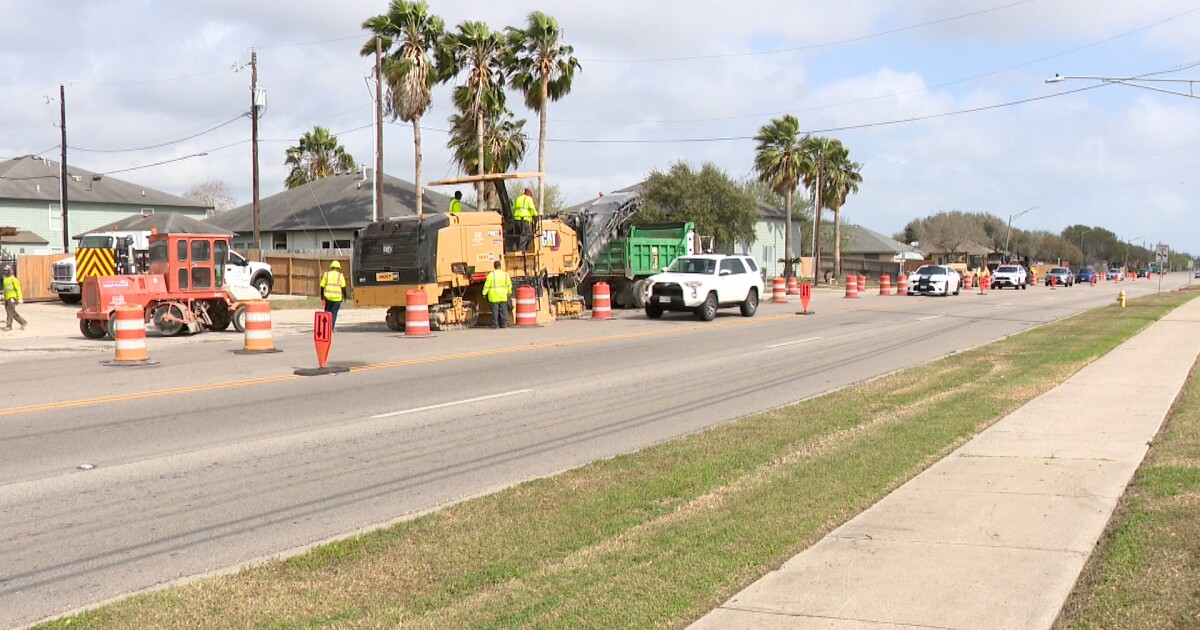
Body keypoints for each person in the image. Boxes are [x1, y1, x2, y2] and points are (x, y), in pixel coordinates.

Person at [482, 260, 513, 329]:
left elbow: (487, 285)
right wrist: (509, 292)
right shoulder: (505, 274)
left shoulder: (491, 275)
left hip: (494, 296)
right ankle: (503, 325)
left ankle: (495, 325)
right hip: (503, 296)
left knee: (495, 311)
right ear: (500, 266)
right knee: (503, 310)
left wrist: (484, 293)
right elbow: (509, 285)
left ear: (494, 266)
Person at [319, 260, 347, 329]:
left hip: (328, 297)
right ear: (338, 268)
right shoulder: (340, 276)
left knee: (327, 312)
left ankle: (325, 328)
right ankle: (331, 328)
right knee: (334, 313)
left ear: (331, 267)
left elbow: (322, 286)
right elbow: (343, 287)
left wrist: (322, 297)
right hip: (337, 298)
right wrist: (344, 296)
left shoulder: (326, 274)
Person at [2, 266, 25, 331]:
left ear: (10, 271)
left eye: (7, 270)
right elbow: (5, 289)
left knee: (10, 312)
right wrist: (4, 297)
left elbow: (18, 289)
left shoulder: (14, 279)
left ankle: (9, 326)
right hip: (7, 298)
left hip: (12, 298)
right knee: (11, 312)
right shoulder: (5, 278)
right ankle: (23, 322)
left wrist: (20, 298)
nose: (6, 272)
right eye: (5, 270)